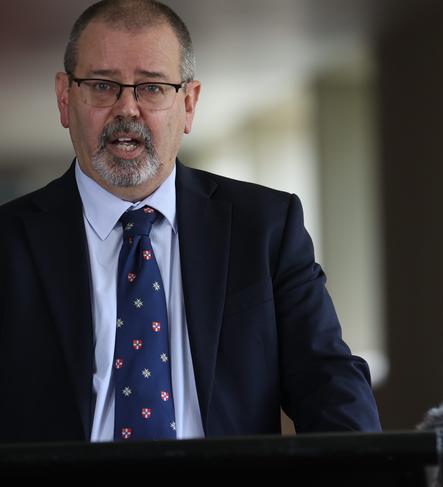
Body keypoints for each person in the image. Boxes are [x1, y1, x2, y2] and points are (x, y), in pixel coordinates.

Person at [0, 0, 381, 443]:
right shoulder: (9, 244)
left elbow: (328, 382)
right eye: (103, 85)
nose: (127, 109)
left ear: (189, 103)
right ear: (66, 98)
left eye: (152, 87)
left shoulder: (266, 229)